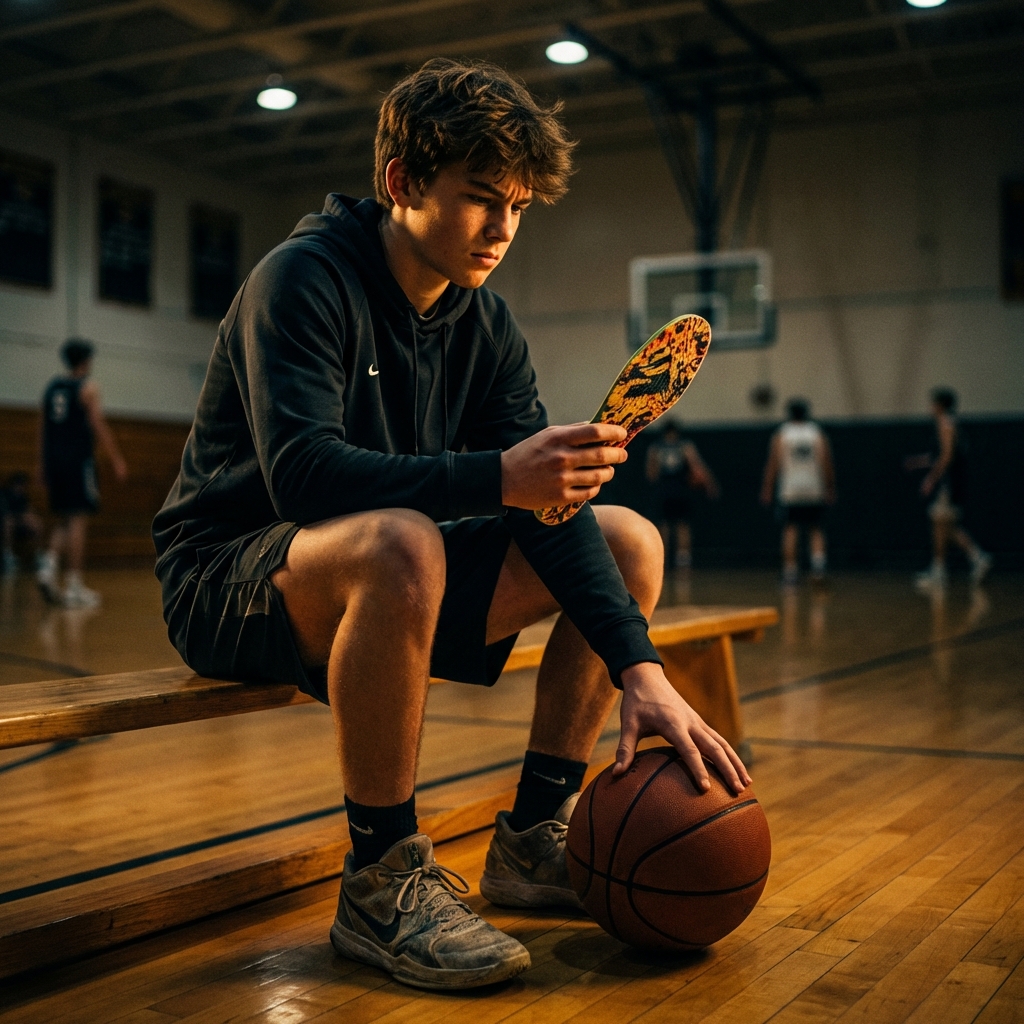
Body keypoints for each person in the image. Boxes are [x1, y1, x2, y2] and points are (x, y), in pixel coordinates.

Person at [153, 59, 750, 991]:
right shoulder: (301, 281)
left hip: (376, 565)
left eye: (517, 205)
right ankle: (381, 878)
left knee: (626, 536)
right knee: (402, 538)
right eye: (480, 198)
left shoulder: (485, 326)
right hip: (225, 575)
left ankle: (532, 836)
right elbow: (303, 477)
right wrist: (498, 475)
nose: (501, 229)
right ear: (401, 182)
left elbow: (544, 511)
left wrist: (643, 669)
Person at [36, 338, 128, 607]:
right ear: (86, 361)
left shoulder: (52, 388)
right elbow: (97, 424)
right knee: (78, 519)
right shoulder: (87, 387)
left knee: (65, 518)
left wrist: (42, 465)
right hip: (78, 460)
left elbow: (43, 428)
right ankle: (74, 584)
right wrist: (116, 458)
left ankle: (47, 568)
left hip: (55, 460)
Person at [906, 387, 990, 588]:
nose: (930, 407)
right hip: (952, 481)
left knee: (941, 523)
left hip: (949, 482)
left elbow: (946, 456)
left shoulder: (945, 422)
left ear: (940, 405)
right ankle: (962, 562)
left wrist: (931, 479)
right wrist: (918, 462)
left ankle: (968, 560)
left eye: (933, 403)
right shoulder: (949, 423)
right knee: (943, 524)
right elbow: (938, 455)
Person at [760, 398, 835, 585]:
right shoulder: (816, 432)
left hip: (790, 489)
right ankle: (819, 571)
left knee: (790, 529)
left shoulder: (782, 434)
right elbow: (826, 462)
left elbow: (773, 463)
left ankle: (790, 574)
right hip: (813, 488)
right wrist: (830, 486)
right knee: (815, 529)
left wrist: (767, 488)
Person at [645, 420, 719, 568]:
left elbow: (651, 474)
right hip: (680, 489)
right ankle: (683, 557)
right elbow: (697, 467)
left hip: (665, 489)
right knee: (682, 525)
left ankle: (663, 557)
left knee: (664, 525)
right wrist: (710, 484)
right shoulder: (685, 446)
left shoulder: (656, 448)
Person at [1, 472, 44, 575]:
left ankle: (38, 555)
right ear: (13, 484)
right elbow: (5, 514)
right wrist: (20, 517)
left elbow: (27, 510)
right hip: (6, 523)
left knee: (36, 522)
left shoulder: (22, 496)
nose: (22, 488)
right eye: (20, 485)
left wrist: (29, 516)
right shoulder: (4, 495)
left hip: (19, 523)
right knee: (8, 522)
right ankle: (8, 555)